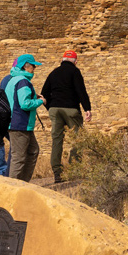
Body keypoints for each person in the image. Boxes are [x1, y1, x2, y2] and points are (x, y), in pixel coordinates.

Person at [40, 51, 92, 183]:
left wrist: (51, 107)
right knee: (77, 138)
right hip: (71, 109)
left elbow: (43, 93)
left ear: (62, 60)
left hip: (55, 109)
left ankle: (57, 173)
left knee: (57, 140)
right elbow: (81, 91)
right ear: (75, 61)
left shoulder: (54, 73)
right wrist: (87, 108)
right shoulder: (75, 72)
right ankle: (74, 169)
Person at [2, 54, 47, 182]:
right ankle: (14, 186)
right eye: (33, 66)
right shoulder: (23, 81)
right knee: (19, 157)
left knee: (33, 151)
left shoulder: (13, 79)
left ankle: (23, 183)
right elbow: (25, 104)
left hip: (18, 123)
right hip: (20, 124)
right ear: (26, 67)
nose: (34, 69)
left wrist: (34, 97)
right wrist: (40, 102)